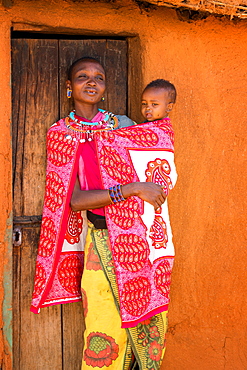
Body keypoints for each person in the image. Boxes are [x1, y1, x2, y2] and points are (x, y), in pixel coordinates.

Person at [31, 58, 177, 370]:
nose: (91, 82)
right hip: (99, 243)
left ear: (106, 86)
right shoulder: (61, 134)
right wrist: (132, 189)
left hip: (142, 242)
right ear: (70, 87)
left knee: (149, 325)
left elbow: (158, 159)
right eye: (82, 77)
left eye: (98, 77)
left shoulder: (124, 126)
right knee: (102, 327)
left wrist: (146, 186)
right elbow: (74, 200)